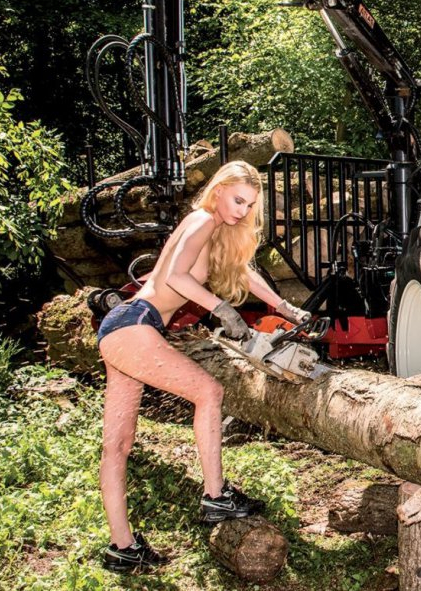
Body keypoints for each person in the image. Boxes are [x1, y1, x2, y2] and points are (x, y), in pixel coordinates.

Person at [95, 161, 311, 573]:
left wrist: (285, 307)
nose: (242, 211)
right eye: (237, 200)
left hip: (125, 327)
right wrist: (220, 308)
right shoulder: (201, 220)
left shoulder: (212, 231)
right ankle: (216, 495)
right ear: (219, 189)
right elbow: (176, 277)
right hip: (135, 323)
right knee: (208, 392)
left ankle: (122, 547)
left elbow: (243, 274)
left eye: (249, 206)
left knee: (117, 445)